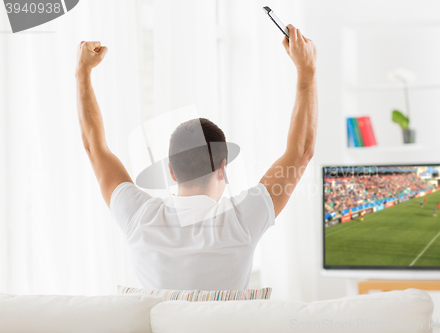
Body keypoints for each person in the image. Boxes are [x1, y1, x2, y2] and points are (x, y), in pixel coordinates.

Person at [75, 25, 318, 290]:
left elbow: (94, 148)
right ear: (222, 169)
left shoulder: (139, 217)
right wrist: (306, 72)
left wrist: (82, 73)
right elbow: (301, 152)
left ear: (171, 171)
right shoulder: (241, 220)